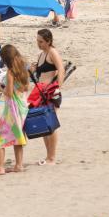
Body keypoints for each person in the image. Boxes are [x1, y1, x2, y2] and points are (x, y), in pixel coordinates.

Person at [0, 44, 30, 176]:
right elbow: (25, 88)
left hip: (12, 108)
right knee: (18, 135)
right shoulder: (24, 69)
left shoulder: (10, 72)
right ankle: (19, 165)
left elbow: (8, 93)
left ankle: (0, 168)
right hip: (22, 105)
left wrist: (0, 88)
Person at [31, 29, 65, 165]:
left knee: (50, 123)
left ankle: (52, 157)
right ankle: (48, 156)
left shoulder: (52, 52)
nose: (39, 44)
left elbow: (61, 69)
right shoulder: (41, 55)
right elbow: (39, 74)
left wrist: (58, 87)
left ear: (48, 41)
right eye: (37, 41)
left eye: (41, 41)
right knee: (43, 124)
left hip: (51, 91)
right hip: (40, 92)